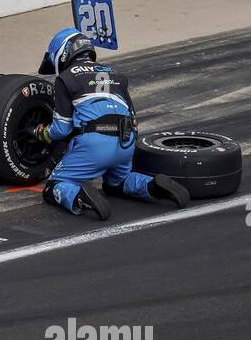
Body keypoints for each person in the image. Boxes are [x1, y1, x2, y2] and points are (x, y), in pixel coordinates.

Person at [29, 28, 189, 221]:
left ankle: (79, 197)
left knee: (54, 185)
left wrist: (41, 132)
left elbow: (61, 128)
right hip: (125, 142)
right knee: (117, 182)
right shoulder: (116, 75)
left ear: (63, 53)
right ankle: (153, 187)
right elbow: (133, 119)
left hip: (95, 144)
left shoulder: (66, 78)